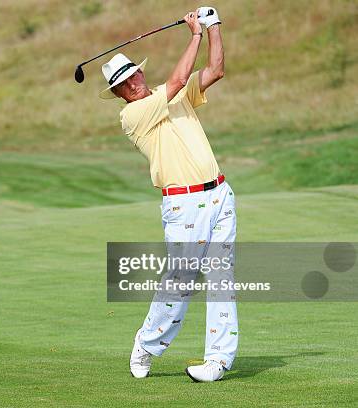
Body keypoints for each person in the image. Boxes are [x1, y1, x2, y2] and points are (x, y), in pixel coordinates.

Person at [99, 7, 238, 382]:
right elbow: (177, 81)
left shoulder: (169, 94)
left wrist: (212, 27)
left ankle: (218, 360)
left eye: (133, 74)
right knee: (180, 282)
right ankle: (146, 344)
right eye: (123, 84)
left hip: (219, 195)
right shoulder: (133, 116)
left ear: (140, 71)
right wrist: (193, 35)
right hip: (184, 203)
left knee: (222, 279)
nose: (131, 83)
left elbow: (215, 71)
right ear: (117, 93)